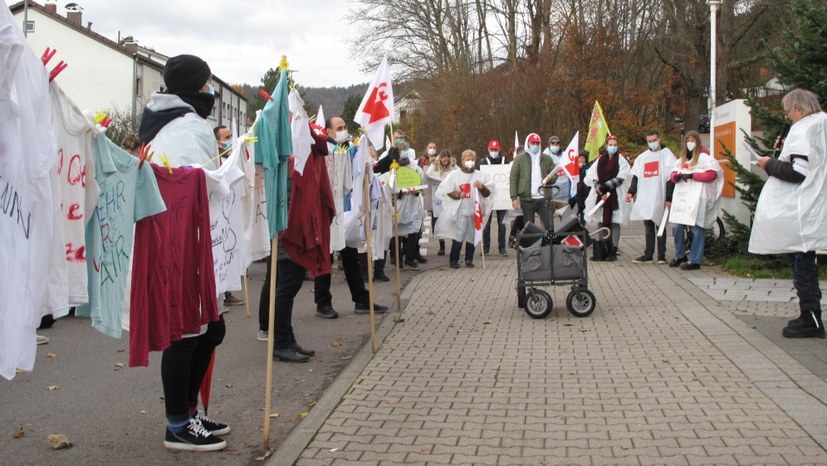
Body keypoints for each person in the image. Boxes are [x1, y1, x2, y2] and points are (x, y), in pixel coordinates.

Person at [137, 54, 226, 452]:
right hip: (175, 235)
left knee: (211, 327)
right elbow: (190, 178)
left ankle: (189, 410)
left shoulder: (175, 119)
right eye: (207, 84)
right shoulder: (181, 126)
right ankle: (177, 424)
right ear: (193, 85)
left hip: (191, 234)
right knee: (185, 332)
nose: (211, 92)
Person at [750, 89, 827, 338]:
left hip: (801, 210)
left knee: (802, 264)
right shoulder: (820, 124)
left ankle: (811, 318)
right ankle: (809, 315)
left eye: (788, 112)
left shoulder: (805, 129)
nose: (787, 117)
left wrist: (768, 164)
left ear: (800, 110)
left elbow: (797, 171)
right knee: (805, 263)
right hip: (811, 208)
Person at [315, 116, 389, 318]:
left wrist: (364, 169)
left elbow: (357, 175)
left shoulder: (350, 149)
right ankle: (323, 302)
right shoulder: (323, 151)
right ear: (329, 132)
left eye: (345, 126)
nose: (344, 130)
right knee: (326, 257)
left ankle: (361, 299)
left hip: (347, 212)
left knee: (351, 257)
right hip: (329, 212)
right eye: (340, 127)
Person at [665, 130, 723, 270]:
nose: (690, 143)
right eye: (688, 140)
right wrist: (676, 177)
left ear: (697, 142)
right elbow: (673, 174)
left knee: (697, 228)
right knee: (677, 227)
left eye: (693, 140)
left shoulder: (704, 158)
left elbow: (712, 174)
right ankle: (680, 255)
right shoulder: (682, 159)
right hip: (684, 199)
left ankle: (696, 259)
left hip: (698, 198)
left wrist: (692, 176)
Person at [436, 149, 495, 268]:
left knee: (472, 236)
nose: (471, 162)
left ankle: (469, 259)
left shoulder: (480, 175)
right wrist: (458, 195)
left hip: (474, 211)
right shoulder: (454, 175)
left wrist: (481, 186)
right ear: (462, 161)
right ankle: (454, 260)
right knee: (459, 235)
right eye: (468, 160)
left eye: (473, 160)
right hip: (461, 211)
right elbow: (446, 190)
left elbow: (488, 193)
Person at [626, 130, 676, 264]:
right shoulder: (643, 158)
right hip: (646, 196)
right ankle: (648, 254)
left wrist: (669, 197)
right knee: (648, 225)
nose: (652, 143)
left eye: (654, 140)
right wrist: (631, 191)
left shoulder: (667, 155)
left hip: (660, 195)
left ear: (659, 139)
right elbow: (636, 176)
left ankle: (661, 256)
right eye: (650, 141)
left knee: (660, 224)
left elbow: (670, 178)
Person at [212, 125, 245, 307]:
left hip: (230, 209)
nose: (231, 139)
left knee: (229, 250)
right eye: (227, 137)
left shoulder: (230, 158)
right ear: (217, 141)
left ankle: (226, 292)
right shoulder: (215, 159)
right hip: (219, 212)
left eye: (232, 136)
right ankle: (220, 294)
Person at [584, 134, 631, 261]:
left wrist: (605, 187)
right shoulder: (600, 160)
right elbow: (592, 176)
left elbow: (622, 177)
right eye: (610, 145)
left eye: (615, 145)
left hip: (615, 195)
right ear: (606, 145)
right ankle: (602, 248)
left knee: (614, 222)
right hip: (601, 196)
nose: (612, 147)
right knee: (601, 221)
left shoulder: (621, 160)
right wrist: (600, 189)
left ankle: (613, 249)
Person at [509, 133, 554, 230]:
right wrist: (514, 197)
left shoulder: (547, 159)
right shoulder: (519, 159)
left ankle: (550, 244)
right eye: (533, 143)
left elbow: (554, 174)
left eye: (537, 143)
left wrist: (551, 179)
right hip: (527, 199)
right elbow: (513, 178)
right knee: (529, 227)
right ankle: (531, 244)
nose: (535, 145)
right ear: (528, 143)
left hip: (544, 197)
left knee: (549, 226)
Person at [478, 140, 510, 256]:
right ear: (488, 149)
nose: (494, 152)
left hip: (502, 198)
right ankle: (486, 246)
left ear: (499, 149)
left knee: (502, 224)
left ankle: (502, 247)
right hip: (488, 198)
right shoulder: (483, 162)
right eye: (492, 150)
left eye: (495, 150)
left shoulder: (505, 161)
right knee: (486, 224)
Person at [425, 149, 457, 255]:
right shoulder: (435, 164)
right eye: (444, 161)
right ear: (441, 159)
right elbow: (428, 175)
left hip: (450, 196)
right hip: (438, 197)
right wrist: (441, 182)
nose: (445, 162)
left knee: (452, 218)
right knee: (437, 219)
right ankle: (441, 244)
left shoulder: (453, 165)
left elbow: (459, 174)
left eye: (447, 161)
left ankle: (454, 242)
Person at [543, 135, 571, 207]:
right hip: (550, 192)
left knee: (564, 214)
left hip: (564, 192)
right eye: (553, 143)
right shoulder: (544, 156)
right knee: (549, 215)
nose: (555, 144)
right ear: (549, 144)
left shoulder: (565, 155)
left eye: (557, 143)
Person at [575, 151, 591, 225]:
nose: (581, 160)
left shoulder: (588, 168)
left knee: (583, 214)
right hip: (576, 195)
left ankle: (582, 228)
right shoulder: (574, 168)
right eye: (579, 158)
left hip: (585, 194)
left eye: (583, 158)